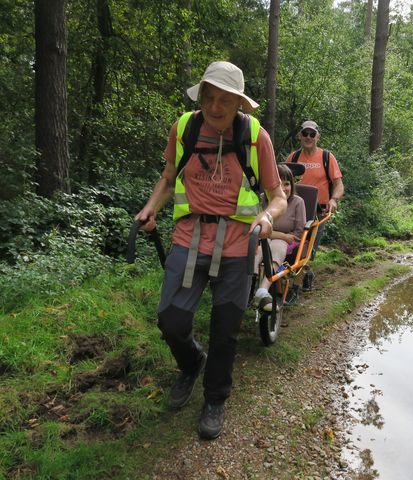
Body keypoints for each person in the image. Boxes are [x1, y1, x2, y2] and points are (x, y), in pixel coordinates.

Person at [134, 61, 287, 440]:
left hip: (238, 243)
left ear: (239, 103)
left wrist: (268, 217)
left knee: (226, 327)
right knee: (171, 320)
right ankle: (191, 363)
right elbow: (169, 178)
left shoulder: (255, 137)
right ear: (200, 96)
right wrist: (152, 206)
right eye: (209, 97)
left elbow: (278, 196)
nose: (215, 107)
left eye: (225, 100)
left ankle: (215, 398)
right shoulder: (184, 128)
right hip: (189, 236)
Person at [286, 120, 344, 292]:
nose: (308, 137)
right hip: (294, 211)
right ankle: (298, 279)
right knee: (294, 248)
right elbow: (283, 182)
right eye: (305, 134)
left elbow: (339, 184)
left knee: (308, 251)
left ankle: (294, 288)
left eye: (312, 134)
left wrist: (334, 199)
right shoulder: (293, 158)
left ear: (318, 136)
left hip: (317, 213)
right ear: (300, 136)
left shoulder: (327, 157)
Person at [253, 163, 306, 311]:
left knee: (276, 246)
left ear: (292, 185)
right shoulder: (263, 199)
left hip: (285, 243)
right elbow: (256, 226)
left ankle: (263, 289)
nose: (283, 188)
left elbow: (297, 234)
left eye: (287, 184)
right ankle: (251, 282)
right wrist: (281, 234)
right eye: (278, 184)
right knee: (259, 247)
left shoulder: (297, 202)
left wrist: (279, 236)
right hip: (265, 238)